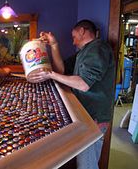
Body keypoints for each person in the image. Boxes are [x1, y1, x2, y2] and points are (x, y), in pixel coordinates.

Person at [30, 19, 115, 169]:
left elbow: (83, 84)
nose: (73, 42)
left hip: (94, 118)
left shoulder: (98, 48)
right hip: (86, 115)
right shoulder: (84, 52)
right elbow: (61, 70)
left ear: (82, 31)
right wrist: (54, 45)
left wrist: (50, 75)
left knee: (87, 165)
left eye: (74, 36)